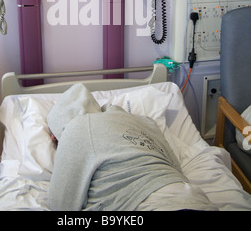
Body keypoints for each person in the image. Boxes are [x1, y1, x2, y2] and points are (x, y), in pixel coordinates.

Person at [47, 84, 217, 211]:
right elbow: (176, 168)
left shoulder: (77, 127)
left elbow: (61, 206)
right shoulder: (145, 122)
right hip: (198, 200)